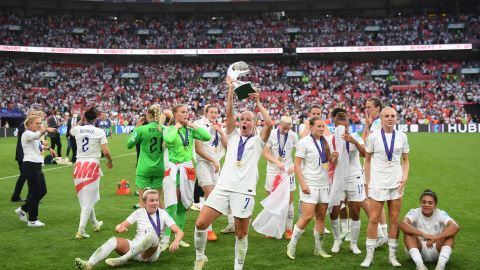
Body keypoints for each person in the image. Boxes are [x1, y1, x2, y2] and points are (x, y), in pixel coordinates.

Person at [193, 76, 273, 270]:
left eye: (248, 119)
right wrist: (230, 90)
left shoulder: (258, 142)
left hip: (243, 192)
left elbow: (269, 124)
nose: (244, 121)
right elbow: (229, 115)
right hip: (223, 188)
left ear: (254, 124)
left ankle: (238, 267)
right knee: (201, 223)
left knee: (241, 233)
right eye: (242, 119)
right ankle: (200, 257)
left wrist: (257, 103)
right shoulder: (232, 136)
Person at [74, 189, 184, 270]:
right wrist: (119, 228)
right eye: (151, 200)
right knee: (113, 240)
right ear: (144, 202)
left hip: (150, 254)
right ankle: (89, 264)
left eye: (156, 200)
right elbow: (121, 225)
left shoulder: (163, 214)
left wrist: (176, 241)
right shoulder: (139, 212)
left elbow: (179, 232)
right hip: (135, 247)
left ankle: (122, 260)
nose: (155, 203)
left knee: (152, 235)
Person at [361, 107, 410, 267]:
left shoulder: (402, 137)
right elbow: (367, 160)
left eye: (393, 116)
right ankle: (369, 256)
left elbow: (405, 160)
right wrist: (367, 182)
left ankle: (392, 255)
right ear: (381, 118)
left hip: (396, 182)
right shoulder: (373, 137)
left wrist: (405, 177)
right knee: (374, 218)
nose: (390, 118)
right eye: (386, 116)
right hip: (377, 182)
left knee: (394, 219)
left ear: (396, 118)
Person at [286, 117, 338, 260]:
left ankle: (318, 248)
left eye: (323, 126)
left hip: (324, 184)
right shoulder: (304, 142)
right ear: (311, 127)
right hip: (310, 184)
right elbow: (297, 164)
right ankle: (291, 245)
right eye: (319, 126)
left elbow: (329, 163)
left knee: (321, 218)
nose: (322, 129)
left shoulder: (326, 142)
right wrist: (302, 183)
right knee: (307, 216)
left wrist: (334, 158)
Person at [162, 104, 211, 248]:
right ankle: (165, 239)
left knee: (183, 205)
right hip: (173, 170)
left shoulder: (190, 130)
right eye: (183, 112)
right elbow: (169, 140)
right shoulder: (168, 129)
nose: (185, 114)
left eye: (187, 112)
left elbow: (207, 136)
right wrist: (176, 127)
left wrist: (192, 125)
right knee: (171, 205)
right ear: (175, 113)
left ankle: (179, 236)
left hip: (187, 169)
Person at [326, 112, 366, 255]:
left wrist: (353, 141)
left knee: (355, 211)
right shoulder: (330, 140)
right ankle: (337, 240)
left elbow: (365, 154)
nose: (344, 130)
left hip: (354, 177)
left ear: (349, 127)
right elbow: (330, 162)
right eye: (340, 128)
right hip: (338, 178)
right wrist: (333, 158)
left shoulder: (355, 136)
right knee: (334, 210)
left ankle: (353, 244)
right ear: (335, 127)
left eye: (346, 128)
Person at [70, 107, 113, 239]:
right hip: (91, 167)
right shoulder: (99, 131)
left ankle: (95, 223)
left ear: (85, 117)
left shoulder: (77, 129)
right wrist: (110, 161)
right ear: (96, 118)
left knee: (86, 199)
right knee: (87, 202)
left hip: (78, 166)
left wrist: (80, 121)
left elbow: (71, 130)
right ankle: (80, 231)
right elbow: (105, 151)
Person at [14, 114, 57, 227]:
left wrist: (48, 148)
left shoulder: (33, 135)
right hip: (30, 165)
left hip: (36, 165)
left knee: (42, 191)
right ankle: (32, 220)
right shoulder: (27, 133)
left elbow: (37, 145)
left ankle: (23, 209)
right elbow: (35, 137)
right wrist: (45, 129)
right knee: (34, 192)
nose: (39, 125)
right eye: (37, 123)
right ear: (29, 124)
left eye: (40, 123)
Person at [400, 189, 459, 270]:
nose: (426, 205)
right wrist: (425, 235)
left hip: (436, 250)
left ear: (435, 205)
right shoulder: (414, 212)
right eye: (424, 202)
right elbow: (403, 224)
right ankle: (420, 265)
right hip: (417, 249)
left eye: (430, 203)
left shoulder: (440, 213)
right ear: (420, 203)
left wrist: (436, 237)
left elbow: (455, 226)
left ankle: (440, 266)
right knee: (408, 232)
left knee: (449, 233)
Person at [194, 104, 228, 241]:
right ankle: (208, 230)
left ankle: (203, 225)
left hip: (215, 165)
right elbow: (198, 149)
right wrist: (212, 161)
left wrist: (221, 133)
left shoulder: (219, 127)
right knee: (210, 195)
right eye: (211, 112)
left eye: (216, 112)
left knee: (213, 197)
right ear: (206, 113)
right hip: (204, 164)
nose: (214, 114)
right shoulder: (200, 126)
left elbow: (227, 146)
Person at [262, 114, 298, 239]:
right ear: (279, 125)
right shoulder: (271, 134)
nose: (287, 130)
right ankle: (271, 228)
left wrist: (294, 165)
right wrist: (277, 162)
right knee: (271, 200)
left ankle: (288, 229)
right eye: (284, 128)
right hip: (273, 170)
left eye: (289, 128)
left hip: (288, 171)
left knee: (289, 200)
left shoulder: (293, 135)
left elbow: (299, 152)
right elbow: (265, 153)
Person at [127, 105, 166, 209]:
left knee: (143, 200)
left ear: (148, 115)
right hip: (159, 168)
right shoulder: (164, 129)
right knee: (158, 200)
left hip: (144, 168)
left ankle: (145, 225)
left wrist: (136, 128)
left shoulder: (142, 129)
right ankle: (163, 224)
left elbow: (129, 144)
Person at [362, 97, 389, 247]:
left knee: (368, 198)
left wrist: (366, 126)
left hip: (374, 165)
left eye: (369, 107)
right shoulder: (379, 122)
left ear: (378, 108)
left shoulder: (378, 122)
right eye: (366, 107)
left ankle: (381, 233)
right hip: (380, 164)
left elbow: (365, 142)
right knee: (377, 198)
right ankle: (383, 232)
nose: (367, 109)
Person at [11, 109, 41, 202]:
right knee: (25, 176)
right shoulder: (23, 126)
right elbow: (29, 137)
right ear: (27, 115)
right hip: (23, 155)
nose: (33, 116)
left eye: (35, 114)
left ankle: (25, 196)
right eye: (32, 114)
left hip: (28, 155)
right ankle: (28, 197)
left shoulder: (31, 126)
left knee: (26, 176)